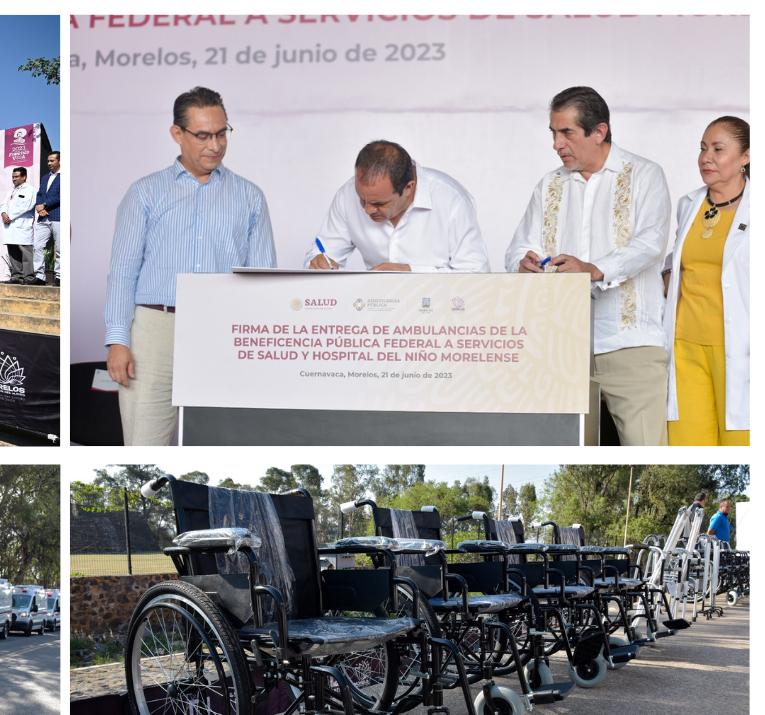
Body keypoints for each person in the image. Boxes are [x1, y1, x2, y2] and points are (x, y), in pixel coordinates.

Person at [104, 86, 277, 446]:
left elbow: (262, 280)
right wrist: (118, 340)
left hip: (222, 330)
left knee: (216, 446)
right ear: (177, 134)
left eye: (222, 132)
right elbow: (123, 271)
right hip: (153, 331)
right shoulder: (145, 193)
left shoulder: (250, 197)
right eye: (203, 135)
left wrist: (256, 349)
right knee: (145, 445)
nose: (215, 145)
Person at [506, 86, 673, 446]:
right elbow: (518, 248)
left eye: (566, 132)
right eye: (552, 132)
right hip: (558, 346)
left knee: (647, 453)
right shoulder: (548, 185)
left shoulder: (644, 175)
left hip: (629, 342)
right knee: (552, 449)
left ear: (599, 132)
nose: (556, 143)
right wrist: (523, 264)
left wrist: (595, 269)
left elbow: (651, 243)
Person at [662, 116, 749, 446]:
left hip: (742, 350)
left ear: (746, 157)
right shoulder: (690, 204)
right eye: (702, 148)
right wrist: (669, 272)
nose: (706, 157)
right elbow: (680, 257)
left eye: (718, 149)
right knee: (688, 443)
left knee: (742, 444)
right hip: (685, 347)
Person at [307, 141, 489, 272]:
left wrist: (410, 273)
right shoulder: (346, 195)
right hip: (375, 314)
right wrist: (316, 264)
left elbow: (476, 275)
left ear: (408, 187)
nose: (367, 210)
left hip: (442, 313)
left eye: (380, 203)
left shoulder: (451, 199)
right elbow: (319, 256)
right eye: (362, 199)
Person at [2, 166, 39, 283]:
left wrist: (10, 216)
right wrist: (3, 213)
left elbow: (27, 205)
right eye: (13, 177)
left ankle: (28, 277)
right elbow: (3, 204)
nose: (14, 179)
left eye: (17, 177)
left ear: (24, 177)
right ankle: (17, 276)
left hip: (22, 226)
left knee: (25, 252)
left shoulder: (30, 190)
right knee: (13, 251)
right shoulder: (11, 190)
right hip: (10, 226)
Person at [35, 151, 62, 285]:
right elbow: (40, 193)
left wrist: (44, 205)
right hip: (43, 218)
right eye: (48, 161)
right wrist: (39, 207)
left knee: (61, 249)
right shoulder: (45, 177)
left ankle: (60, 277)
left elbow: (61, 195)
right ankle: (39, 276)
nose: (49, 163)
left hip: (58, 216)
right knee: (38, 246)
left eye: (52, 161)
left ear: (60, 161)